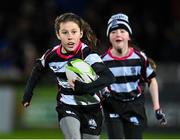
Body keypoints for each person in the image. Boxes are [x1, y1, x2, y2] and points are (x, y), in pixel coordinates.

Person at [22, 12, 115, 139]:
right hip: (67, 105)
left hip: (92, 108)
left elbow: (109, 77)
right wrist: (28, 94)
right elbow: (37, 70)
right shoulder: (51, 55)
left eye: (74, 32)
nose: (70, 37)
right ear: (58, 35)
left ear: (80, 34)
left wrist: (83, 87)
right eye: (65, 32)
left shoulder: (88, 55)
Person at [101, 13, 167, 139]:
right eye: (113, 31)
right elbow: (96, 84)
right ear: (109, 37)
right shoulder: (101, 61)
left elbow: (152, 80)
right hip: (112, 106)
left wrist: (157, 108)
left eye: (122, 30)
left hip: (134, 106)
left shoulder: (140, 58)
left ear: (129, 36)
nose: (118, 34)